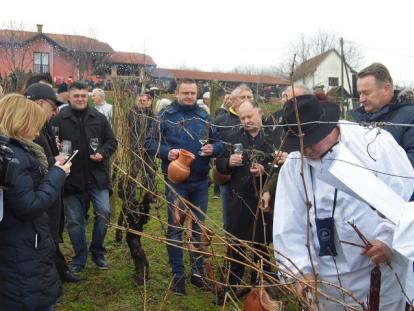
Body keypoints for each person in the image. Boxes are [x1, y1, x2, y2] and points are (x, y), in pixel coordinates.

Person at [273, 94, 414, 310]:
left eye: (311, 142)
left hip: (377, 273)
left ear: (329, 127)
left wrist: (389, 239)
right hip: (325, 279)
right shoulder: (295, 165)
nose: (307, 151)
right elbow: (288, 224)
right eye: (300, 146)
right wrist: (300, 271)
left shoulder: (374, 145)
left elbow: (405, 197)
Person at [146, 78, 223, 295]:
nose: (189, 97)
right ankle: (178, 274)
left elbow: (219, 143)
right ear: (177, 94)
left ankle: (197, 273)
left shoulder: (205, 117)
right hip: (176, 183)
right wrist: (165, 152)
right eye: (185, 93)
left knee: (198, 228)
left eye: (193, 93)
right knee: (176, 228)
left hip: (200, 182)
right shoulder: (166, 117)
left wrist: (213, 149)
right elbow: (149, 142)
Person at [0, 94, 71, 310]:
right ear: (20, 122)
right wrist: (57, 174)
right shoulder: (15, 156)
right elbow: (28, 206)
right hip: (22, 248)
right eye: (34, 126)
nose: (38, 133)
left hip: (18, 244)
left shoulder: (12, 152)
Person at [52, 81, 117, 274]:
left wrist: (103, 153)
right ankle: (79, 258)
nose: (80, 99)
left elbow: (111, 142)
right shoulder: (59, 119)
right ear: (69, 97)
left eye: (83, 96)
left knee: (104, 213)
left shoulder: (98, 117)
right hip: (71, 179)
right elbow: (53, 143)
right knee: (74, 221)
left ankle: (98, 251)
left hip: (97, 177)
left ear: (87, 96)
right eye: (76, 96)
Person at [216, 100, 274, 303]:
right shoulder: (233, 138)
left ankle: (263, 288)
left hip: (263, 199)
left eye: (250, 116)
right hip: (239, 197)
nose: (246, 121)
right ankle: (230, 286)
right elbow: (219, 164)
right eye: (242, 118)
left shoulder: (274, 137)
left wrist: (264, 169)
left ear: (259, 112)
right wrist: (228, 162)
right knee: (236, 244)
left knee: (261, 245)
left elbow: (281, 167)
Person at [25, 83, 82, 283]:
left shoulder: (44, 123)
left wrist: (53, 149)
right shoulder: (26, 125)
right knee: (44, 235)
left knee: (51, 232)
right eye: (52, 106)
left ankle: (59, 271)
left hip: (50, 190)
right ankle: (50, 280)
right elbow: (31, 162)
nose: (55, 111)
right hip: (40, 193)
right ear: (40, 103)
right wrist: (55, 165)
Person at [116, 93, 157, 285]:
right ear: (135, 100)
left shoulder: (154, 117)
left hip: (148, 158)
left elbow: (157, 138)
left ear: (150, 102)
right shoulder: (129, 115)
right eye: (140, 98)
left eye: (146, 99)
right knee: (129, 196)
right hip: (131, 158)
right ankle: (125, 221)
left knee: (146, 190)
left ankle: (147, 202)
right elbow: (122, 135)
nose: (142, 101)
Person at [352, 62, 414, 167]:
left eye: (366, 93)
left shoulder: (410, 116)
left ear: (386, 89)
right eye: (359, 93)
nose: (361, 99)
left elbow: (410, 165)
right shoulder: (362, 117)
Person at [261, 84, 312, 210]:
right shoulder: (282, 128)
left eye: (291, 101)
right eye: (284, 100)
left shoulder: (317, 129)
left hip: (308, 199)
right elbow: (279, 167)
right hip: (286, 197)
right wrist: (268, 190)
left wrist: (292, 160)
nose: (286, 104)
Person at [215, 84, 253, 230]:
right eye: (242, 97)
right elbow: (215, 147)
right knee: (230, 218)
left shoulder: (261, 120)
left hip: (253, 177)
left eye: (249, 97)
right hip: (229, 178)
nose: (246, 100)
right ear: (232, 100)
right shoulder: (221, 121)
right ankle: (231, 249)